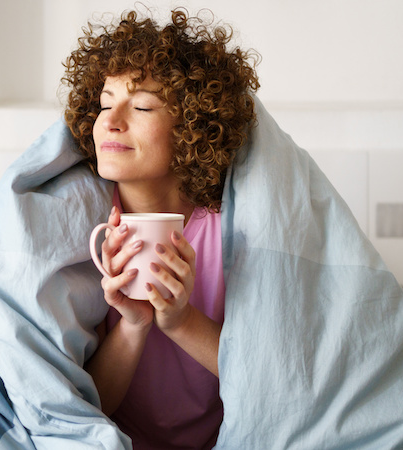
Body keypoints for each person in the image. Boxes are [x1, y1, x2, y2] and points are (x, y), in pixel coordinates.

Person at [62, 8, 259, 448]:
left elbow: (266, 381)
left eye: (144, 104)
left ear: (193, 126)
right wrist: (133, 324)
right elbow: (88, 407)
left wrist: (181, 320)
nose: (111, 120)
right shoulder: (80, 226)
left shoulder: (233, 227)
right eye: (105, 103)